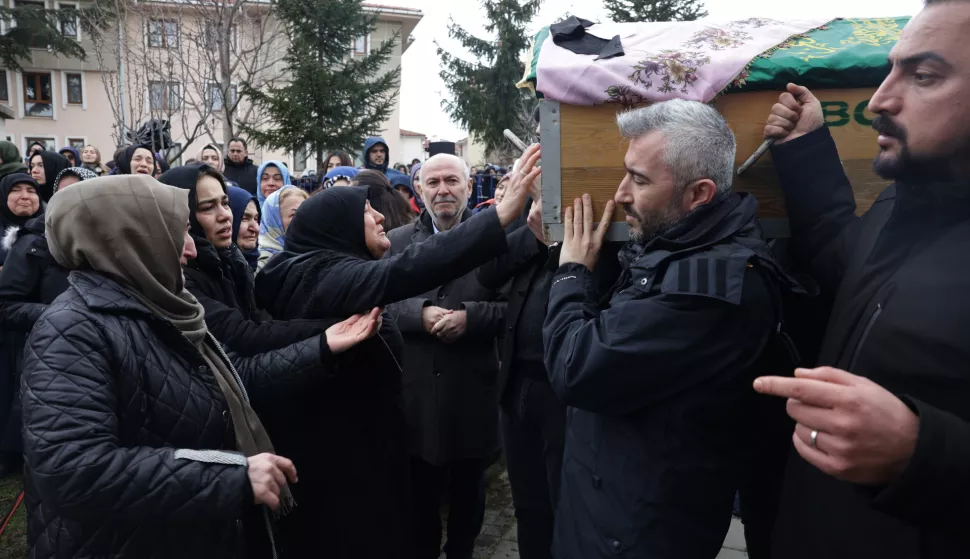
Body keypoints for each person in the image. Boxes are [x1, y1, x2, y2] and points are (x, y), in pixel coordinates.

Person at [20, 174, 383, 558]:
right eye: (177, 233)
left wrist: (322, 347)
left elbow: (232, 379)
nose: (192, 251)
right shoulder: (73, 329)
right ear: (131, 240)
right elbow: (71, 470)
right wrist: (231, 476)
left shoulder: (164, 309)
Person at [751, 3, 970, 557]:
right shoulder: (908, 200)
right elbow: (838, 256)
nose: (878, 100)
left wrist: (921, 453)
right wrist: (804, 147)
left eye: (924, 76)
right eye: (889, 70)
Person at [541, 101, 805, 559]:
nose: (621, 193)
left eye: (640, 180)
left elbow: (577, 365)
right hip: (609, 509)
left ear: (698, 194)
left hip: (637, 533)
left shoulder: (712, 286)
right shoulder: (679, 245)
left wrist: (571, 273)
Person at [252, 154, 541, 558]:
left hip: (450, 410)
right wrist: (501, 215)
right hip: (352, 460)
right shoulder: (328, 275)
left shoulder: (317, 269)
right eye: (367, 211)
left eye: (452, 180)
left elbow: (504, 297)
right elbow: (405, 273)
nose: (381, 217)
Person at [386, 153, 507, 559]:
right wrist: (418, 313)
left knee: (469, 499)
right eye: (433, 182)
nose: (443, 190)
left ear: (470, 186)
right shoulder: (398, 242)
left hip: (471, 391)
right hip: (416, 395)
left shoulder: (495, 239)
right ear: (419, 189)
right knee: (419, 501)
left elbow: (513, 309)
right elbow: (380, 304)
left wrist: (469, 319)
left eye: (452, 181)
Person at [159, 164, 331, 357]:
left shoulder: (229, 260)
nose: (225, 215)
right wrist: (330, 332)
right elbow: (245, 335)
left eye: (225, 203)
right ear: (180, 215)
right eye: (207, 207)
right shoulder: (179, 279)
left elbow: (259, 321)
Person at [0, 167, 97, 477]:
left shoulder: (109, 240)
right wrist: (61, 316)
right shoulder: (34, 241)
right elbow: (6, 305)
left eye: (79, 192)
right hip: (46, 358)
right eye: (62, 194)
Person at [0, 173, 43, 477]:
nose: (25, 196)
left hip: (33, 324)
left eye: (31, 190)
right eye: (16, 191)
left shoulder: (47, 232)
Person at [228, 185, 261, 271]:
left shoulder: (260, 269)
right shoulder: (221, 274)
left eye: (256, 219)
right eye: (244, 218)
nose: (255, 228)